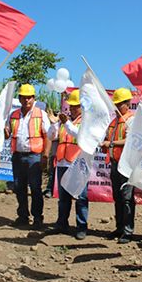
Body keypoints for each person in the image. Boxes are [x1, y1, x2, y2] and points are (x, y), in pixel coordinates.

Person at [4, 84, 51, 230]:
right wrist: (5, 131)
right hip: (18, 156)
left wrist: (45, 155)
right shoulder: (14, 115)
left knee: (36, 188)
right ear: (19, 98)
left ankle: (37, 218)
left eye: (29, 97)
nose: (26, 100)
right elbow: (8, 134)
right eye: (24, 97)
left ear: (34, 98)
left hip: (34, 157)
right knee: (19, 187)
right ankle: (23, 216)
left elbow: (48, 135)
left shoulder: (40, 114)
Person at [47, 90, 89, 240]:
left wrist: (66, 122)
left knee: (80, 197)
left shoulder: (85, 121)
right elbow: (51, 136)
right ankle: (61, 224)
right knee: (63, 197)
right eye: (71, 106)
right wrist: (53, 123)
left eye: (75, 106)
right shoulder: (64, 120)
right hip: (63, 162)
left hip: (78, 164)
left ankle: (81, 227)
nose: (72, 108)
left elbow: (80, 135)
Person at [101, 87, 135, 244]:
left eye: (120, 104)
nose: (117, 107)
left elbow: (130, 140)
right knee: (118, 198)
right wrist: (106, 145)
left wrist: (111, 143)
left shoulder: (131, 119)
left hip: (126, 165)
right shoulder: (114, 121)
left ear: (128, 104)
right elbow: (109, 139)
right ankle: (119, 228)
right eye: (115, 104)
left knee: (127, 198)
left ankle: (128, 231)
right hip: (115, 163)